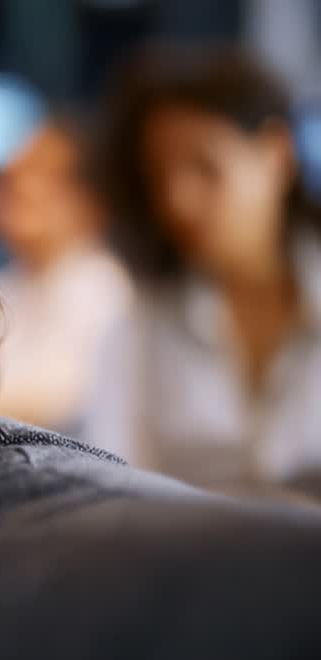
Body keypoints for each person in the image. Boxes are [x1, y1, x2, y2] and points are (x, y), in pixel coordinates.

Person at [84, 47, 321, 494]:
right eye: (159, 176)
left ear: (277, 154)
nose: (178, 201)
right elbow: (113, 484)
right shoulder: (143, 321)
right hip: (192, 559)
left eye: (205, 168)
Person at [0, 116, 131, 432]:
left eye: (44, 174)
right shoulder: (0, 289)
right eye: (13, 171)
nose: (18, 183)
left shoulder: (108, 287)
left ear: (93, 200)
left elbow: (59, 398)